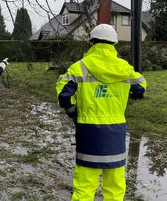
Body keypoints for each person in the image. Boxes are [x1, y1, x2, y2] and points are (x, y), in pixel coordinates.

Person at [56, 24, 147, 201]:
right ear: (114, 43)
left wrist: (73, 112)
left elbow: (63, 95)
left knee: (84, 187)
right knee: (114, 187)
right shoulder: (124, 68)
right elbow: (140, 87)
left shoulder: (79, 67)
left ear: (91, 42)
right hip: (116, 132)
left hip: (88, 132)